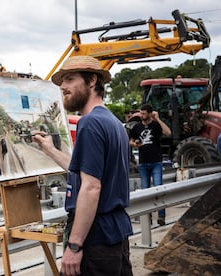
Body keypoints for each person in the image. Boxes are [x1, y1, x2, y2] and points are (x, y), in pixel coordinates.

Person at [33, 55, 133, 276]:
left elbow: (91, 187)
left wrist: (75, 246)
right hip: (114, 235)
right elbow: (86, 173)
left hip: (95, 238)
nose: (63, 87)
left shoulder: (89, 123)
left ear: (91, 81)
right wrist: (49, 149)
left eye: (69, 79)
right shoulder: (113, 123)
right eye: (62, 82)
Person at [129, 103, 171, 226]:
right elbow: (130, 141)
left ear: (150, 113)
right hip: (143, 162)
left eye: (144, 113)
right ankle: (147, 217)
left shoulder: (155, 126)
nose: (141, 115)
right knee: (145, 191)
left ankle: (161, 216)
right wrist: (135, 144)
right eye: (140, 113)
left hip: (156, 161)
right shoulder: (137, 127)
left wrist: (157, 118)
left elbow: (168, 132)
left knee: (158, 188)